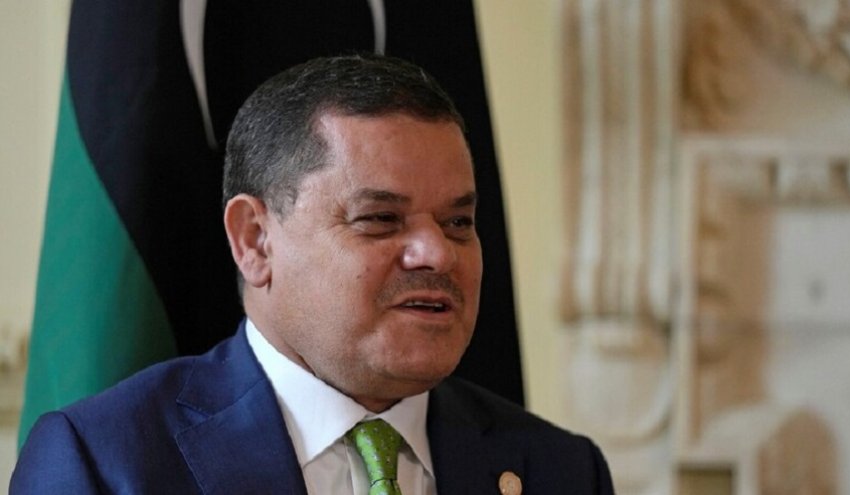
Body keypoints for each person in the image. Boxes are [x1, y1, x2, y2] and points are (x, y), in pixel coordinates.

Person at [12, 54, 613, 494]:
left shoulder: (560, 471)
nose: (437, 253)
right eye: (380, 219)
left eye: (458, 222)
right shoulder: (105, 463)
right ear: (255, 240)